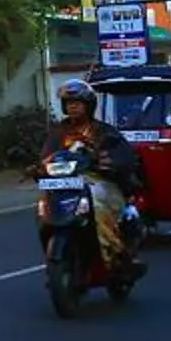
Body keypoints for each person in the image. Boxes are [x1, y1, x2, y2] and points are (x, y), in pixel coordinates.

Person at [39, 79, 145, 278]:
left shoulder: (104, 131)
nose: (73, 106)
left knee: (97, 204)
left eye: (77, 103)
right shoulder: (57, 132)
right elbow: (46, 156)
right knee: (43, 208)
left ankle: (115, 254)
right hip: (64, 184)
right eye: (69, 103)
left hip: (99, 181)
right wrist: (37, 168)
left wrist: (107, 162)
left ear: (88, 105)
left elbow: (123, 156)